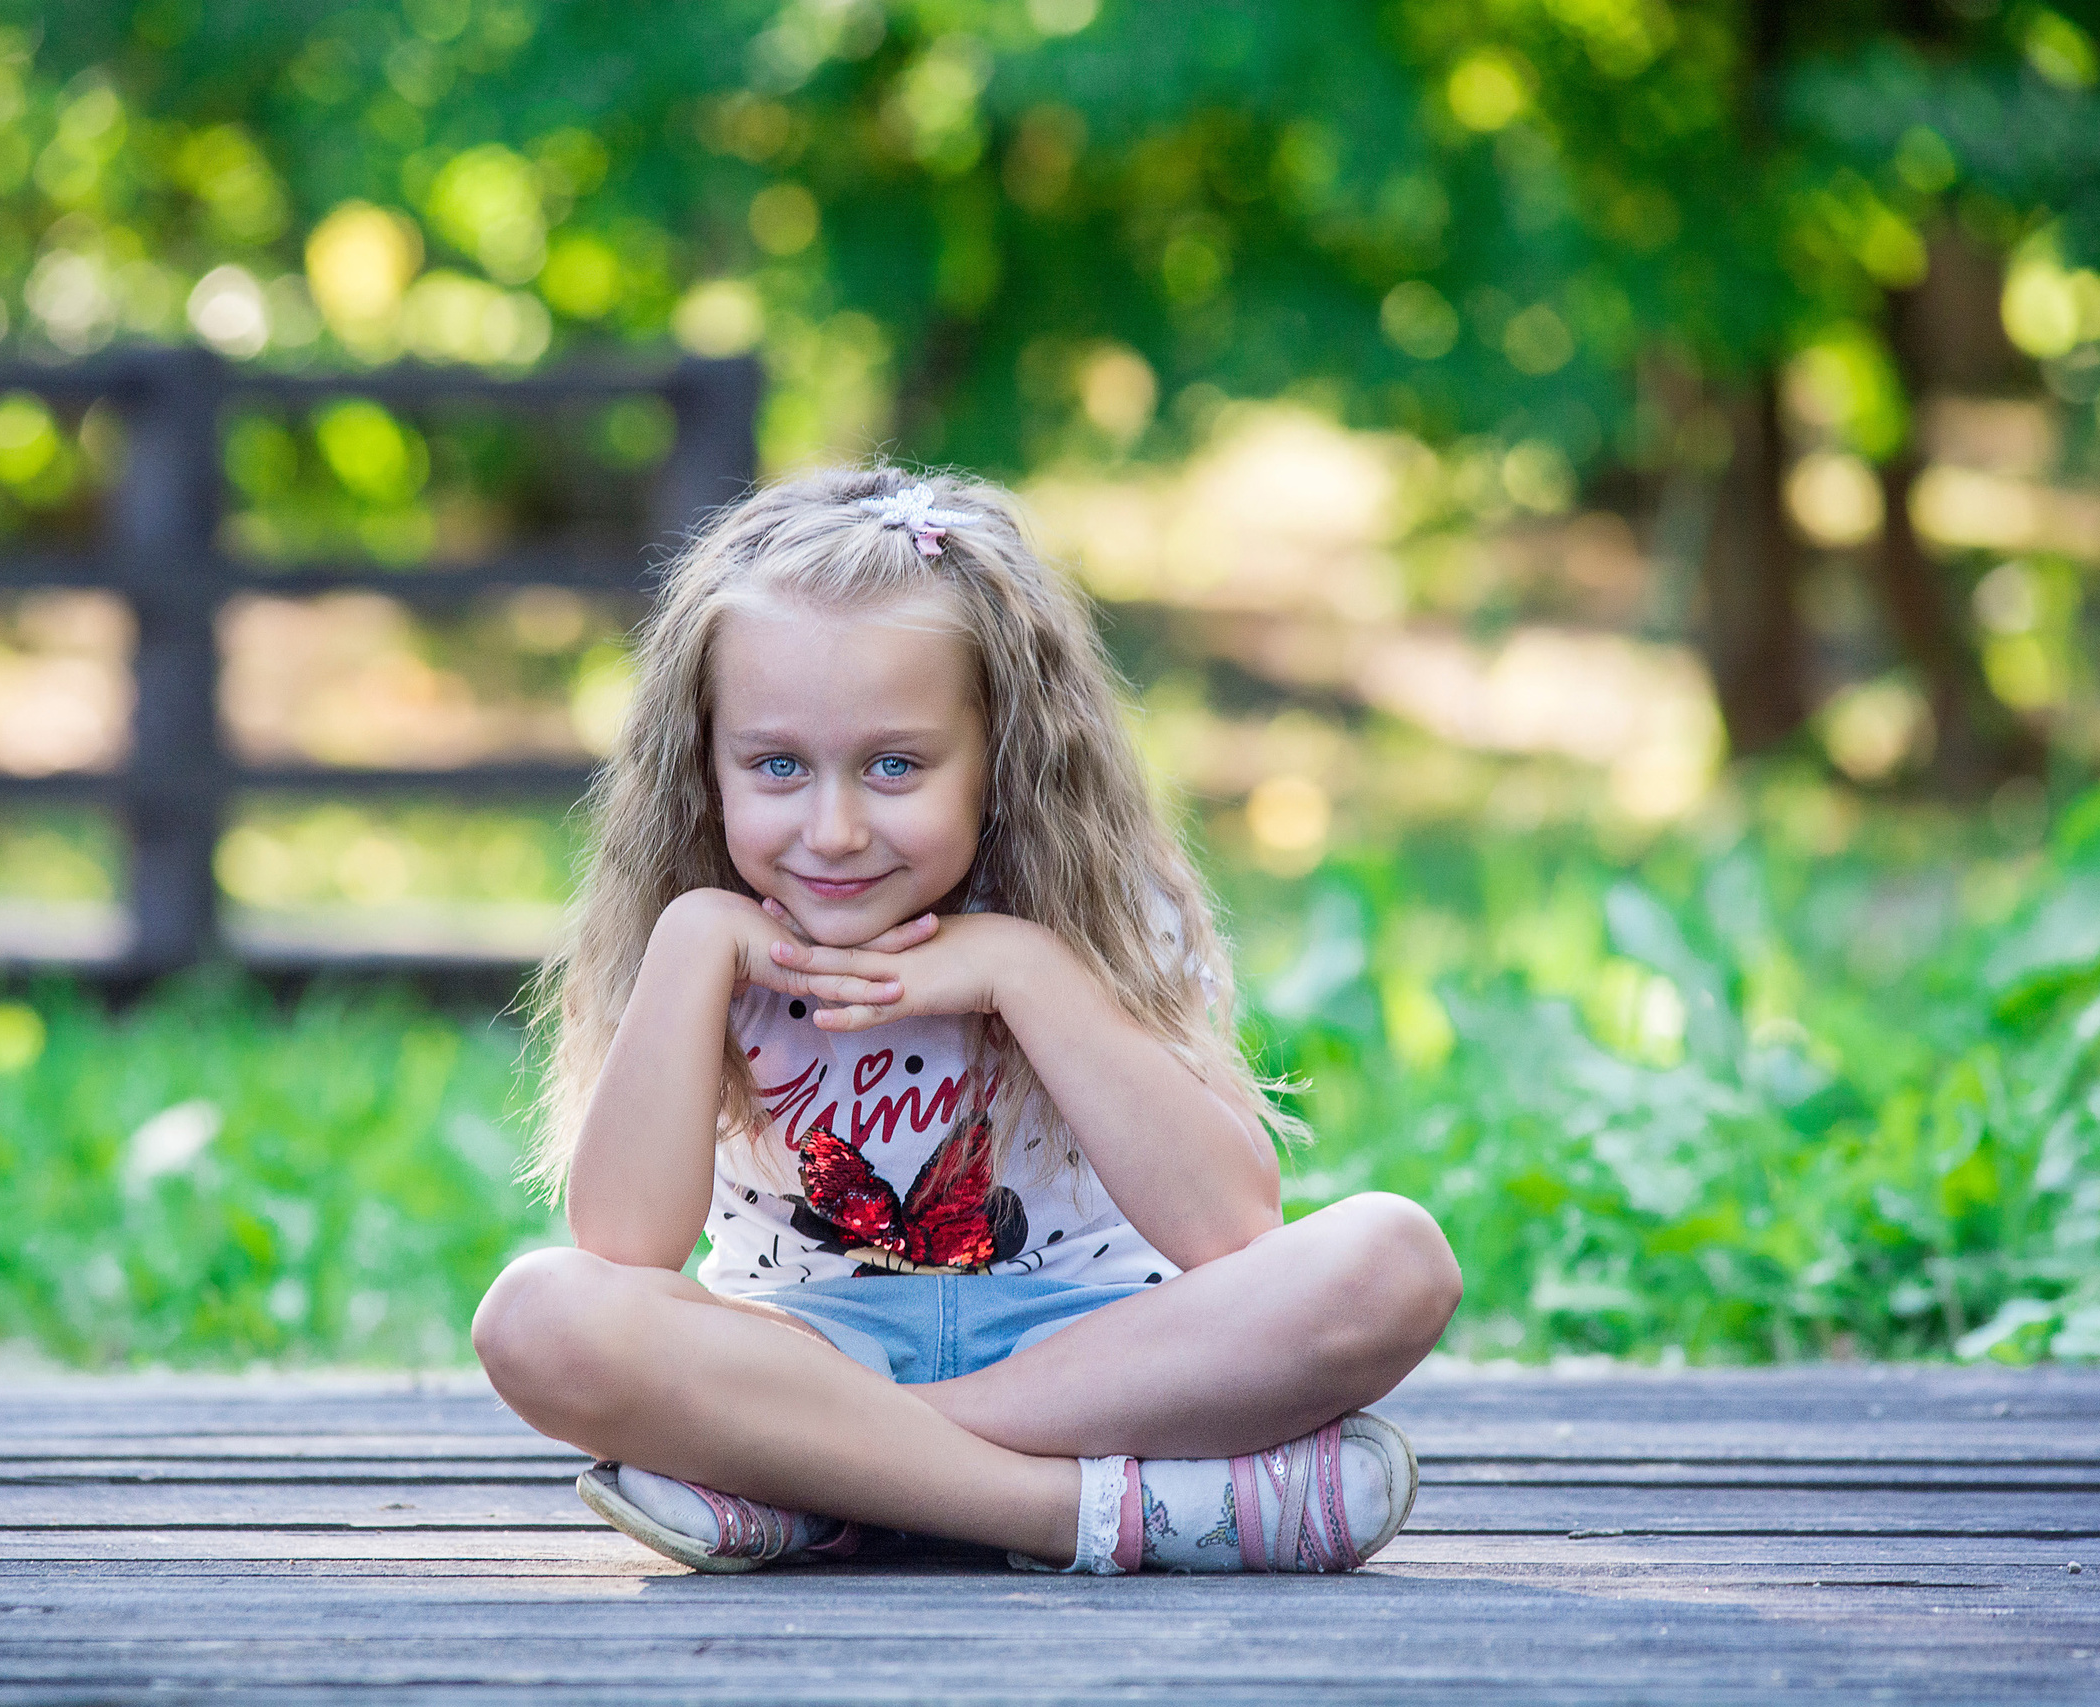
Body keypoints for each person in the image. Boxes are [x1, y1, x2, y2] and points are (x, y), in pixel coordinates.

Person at [473, 467, 1462, 1574]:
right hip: (799, 1348)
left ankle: (817, 1484)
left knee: (1393, 1259)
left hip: (1092, 1350)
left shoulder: (1096, 911)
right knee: (536, 1316)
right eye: (777, 766)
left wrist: (1025, 972)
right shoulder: (691, 934)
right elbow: (623, 1249)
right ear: (705, 763)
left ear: (1002, 754)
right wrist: (694, 945)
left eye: (895, 765)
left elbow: (1230, 1228)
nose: (834, 829)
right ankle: (1082, 1514)